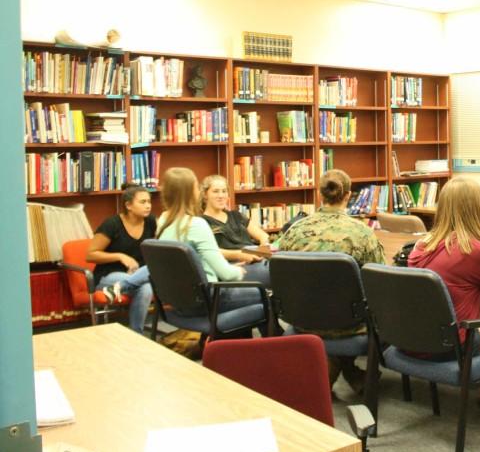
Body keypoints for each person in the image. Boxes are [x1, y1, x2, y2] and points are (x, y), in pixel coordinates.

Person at [408, 178, 480, 419]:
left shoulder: (419, 245)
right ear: (477, 209)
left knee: (466, 328)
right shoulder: (474, 250)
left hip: (412, 339)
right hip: (449, 346)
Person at [278, 169, 385, 394]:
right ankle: (349, 371)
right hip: (349, 324)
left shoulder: (295, 230)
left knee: (332, 303)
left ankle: (342, 370)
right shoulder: (362, 233)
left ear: (320, 195)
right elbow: (380, 277)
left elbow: (281, 271)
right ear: (347, 196)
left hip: (301, 318)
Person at [156, 167, 262, 312]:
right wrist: (237, 271)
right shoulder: (197, 224)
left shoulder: (163, 220)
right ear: (193, 193)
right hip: (209, 298)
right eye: (196, 187)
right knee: (269, 293)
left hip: (179, 301)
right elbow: (227, 275)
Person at [87, 183, 157, 333]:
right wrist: (119, 256)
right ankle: (136, 333)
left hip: (139, 274)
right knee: (145, 286)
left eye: (149, 201)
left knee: (146, 286)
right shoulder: (112, 224)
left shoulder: (151, 222)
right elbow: (91, 254)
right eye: (143, 202)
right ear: (129, 205)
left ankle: (134, 334)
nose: (148, 206)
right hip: (109, 275)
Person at [200, 174, 271, 286]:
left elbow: (263, 235)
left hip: (255, 259)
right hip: (233, 266)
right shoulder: (201, 222)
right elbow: (210, 252)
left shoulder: (236, 215)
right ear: (205, 195)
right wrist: (240, 254)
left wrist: (263, 248)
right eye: (216, 191)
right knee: (279, 274)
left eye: (224, 191)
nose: (221, 196)